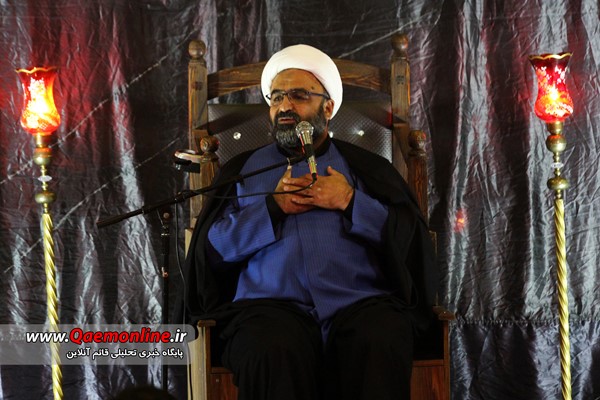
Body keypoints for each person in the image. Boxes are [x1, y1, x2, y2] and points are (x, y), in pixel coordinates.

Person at [178, 44, 438, 400]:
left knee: (381, 339)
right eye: (276, 97)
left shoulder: (366, 169)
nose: (285, 106)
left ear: (327, 107)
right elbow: (213, 251)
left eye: (299, 95)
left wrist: (350, 201)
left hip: (359, 304)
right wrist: (272, 208)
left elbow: (406, 238)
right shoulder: (242, 170)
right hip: (269, 309)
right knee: (271, 349)